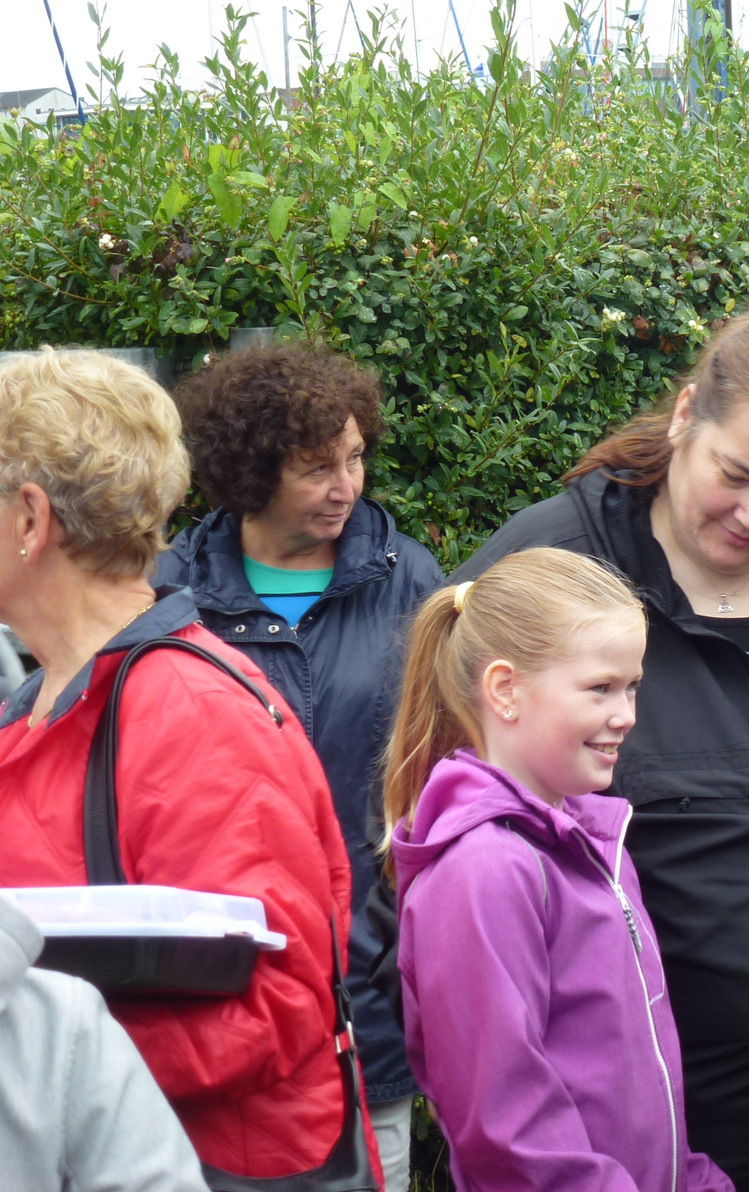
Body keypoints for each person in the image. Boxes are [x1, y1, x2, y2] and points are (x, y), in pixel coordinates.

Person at [445, 307, 749, 1191]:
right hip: (633, 1136)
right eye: (734, 475)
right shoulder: (551, 566)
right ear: (687, 414)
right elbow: (442, 823)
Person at [0, 348, 366, 1179]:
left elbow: (282, 1003)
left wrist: (44, 1063)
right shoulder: (42, 698)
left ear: (30, 520)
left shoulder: (191, 713)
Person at [158, 342, 443, 1191]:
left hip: (371, 994)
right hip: (222, 992)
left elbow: (442, 763)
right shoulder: (171, 593)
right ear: (253, 472)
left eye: (354, 458)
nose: (346, 486)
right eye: (317, 468)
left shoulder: (406, 578)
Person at [383, 547, 733, 1192]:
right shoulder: (485, 868)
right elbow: (507, 1131)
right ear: (505, 690)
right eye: (600, 688)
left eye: (631, 686)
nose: (627, 714)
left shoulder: (595, 840)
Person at [0, 894, 210, 1192]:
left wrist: (91, 1045)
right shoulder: (65, 1017)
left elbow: (270, 1014)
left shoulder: (66, 1020)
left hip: (216, 1142)